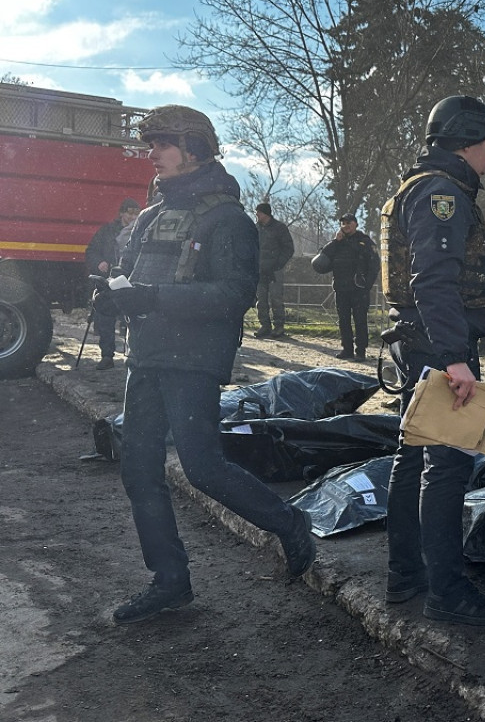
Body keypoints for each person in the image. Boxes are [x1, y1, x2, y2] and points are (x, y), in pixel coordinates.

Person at [91, 105, 314, 625]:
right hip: (146, 355)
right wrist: (113, 295)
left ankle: (289, 522)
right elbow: (131, 276)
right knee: (138, 469)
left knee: (203, 467)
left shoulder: (228, 219)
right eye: (151, 145)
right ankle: (170, 581)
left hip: (192, 361)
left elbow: (235, 294)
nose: (152, 155)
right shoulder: (150, 215)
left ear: (194, 148)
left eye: (162, 145)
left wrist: (154, 297)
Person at [381, 95, 485, 627]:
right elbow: (433, 281)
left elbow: (455, 273)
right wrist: (455, 359)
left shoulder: (423, 187)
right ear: (467, 141)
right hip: (439, 347)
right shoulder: (442, 192)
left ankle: (407, 574)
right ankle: (447, 592)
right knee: (446, 467)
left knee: (412, 459)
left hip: (420, 342)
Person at [311, 212, 378, 361]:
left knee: (360, 320)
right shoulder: (337, 243)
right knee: (343, 320)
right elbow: (322, 261)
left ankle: (361, 351)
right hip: (341, 288)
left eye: (349, 223)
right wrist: (335, 241)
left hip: (359, 289)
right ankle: (347, 349)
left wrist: (367, 285)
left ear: (355, 224)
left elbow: (374, 265)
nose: (346, 226)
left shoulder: (365, 242)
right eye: (343, 223)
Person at [84, 198, 141, 369]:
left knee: (133, 320)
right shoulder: (107, 231)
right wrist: (99, 262)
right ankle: (107, 356)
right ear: (122, 213)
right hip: (109, 279)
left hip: (131, 280)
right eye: (129, 212)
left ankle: (133, 356)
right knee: (105, 318)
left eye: (136, 213)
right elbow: (91, 251)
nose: (132, 216)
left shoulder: (141, 231)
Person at [253, 202, 294, 338]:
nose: (257, 215)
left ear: (265, 213)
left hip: (275, 270)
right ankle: (264, 325)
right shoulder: (256, 228)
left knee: (276, 298)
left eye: (258, 212)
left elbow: (288, 248)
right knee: (261, 300)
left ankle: (279, 326)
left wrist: (278, 264)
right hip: (259, 270)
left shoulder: (279, 228)